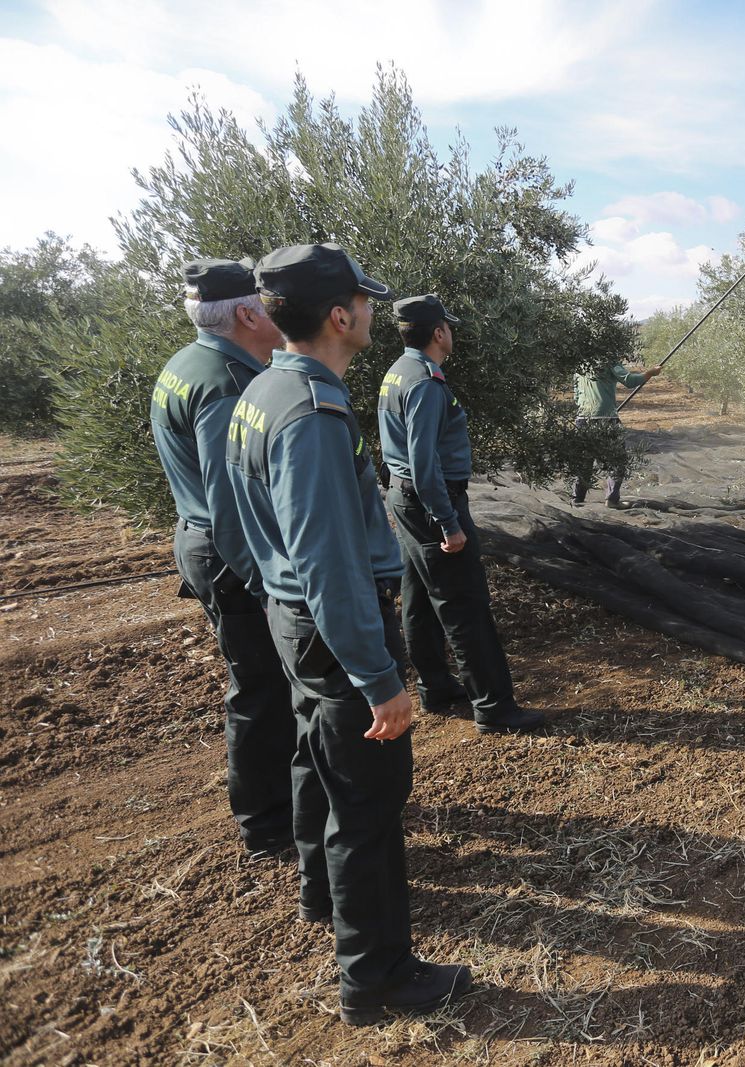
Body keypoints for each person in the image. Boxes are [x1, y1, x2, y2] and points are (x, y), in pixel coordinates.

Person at [225, 243, 470, 1026]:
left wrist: (280, 605)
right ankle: (379, 976)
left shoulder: (263, 389)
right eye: (363, 301)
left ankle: (320, 899)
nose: (371, 311)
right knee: (368, 809)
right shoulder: (314, 415)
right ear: (340, 315)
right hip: (337, 630)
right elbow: (329, 564)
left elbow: (244, 529)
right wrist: (379, 679)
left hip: (294, 622)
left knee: (316, 766)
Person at [150, 257, 296, 861]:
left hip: (200, 540)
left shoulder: (187, 365)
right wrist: (268, 587)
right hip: (231, 554)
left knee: (259, 683)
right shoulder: (227, 384)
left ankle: (281, 803)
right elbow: (231, 499)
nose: (273, 310)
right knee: (261, 689)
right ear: (244, 314)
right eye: (264, 300)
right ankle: (267, 826)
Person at [377, 294, 542, 733]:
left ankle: (435, 687)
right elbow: (424, 459)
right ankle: (494, 708)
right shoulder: (426, 383)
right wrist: (448, 522)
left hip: (405, 498)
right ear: (438, 333)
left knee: (417, 598)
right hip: (433, 501)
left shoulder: (397, 372)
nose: (451, 333)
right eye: (448, 326)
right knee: (464, 603)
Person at [571, 359, 661, 507]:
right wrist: (651, 373)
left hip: (582, 418)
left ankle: (577, 498)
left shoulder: (580, 363)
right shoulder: (608, 359)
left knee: (584, 460)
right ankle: (612, 500)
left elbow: (576, 395)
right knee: (617, 460)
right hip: (606, 418)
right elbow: (630, 381)